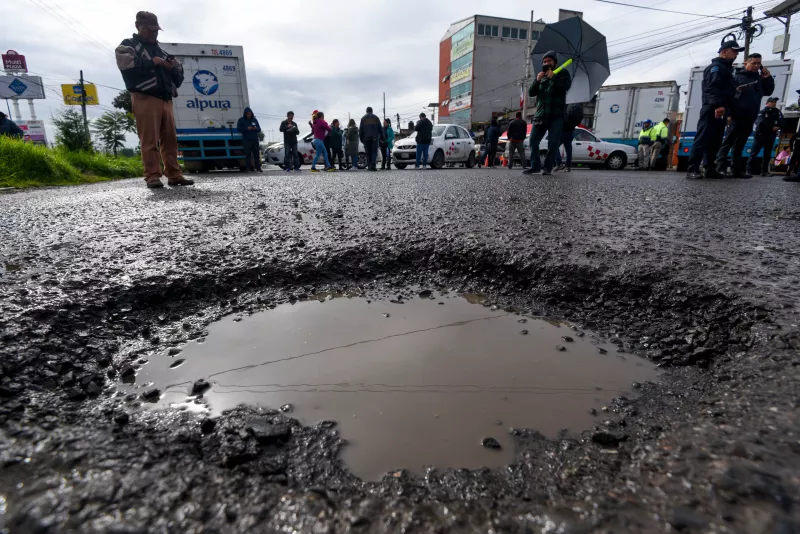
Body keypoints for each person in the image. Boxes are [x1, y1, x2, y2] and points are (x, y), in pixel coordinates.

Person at [115, 11, 193, 189]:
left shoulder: (162, 51)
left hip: (166, 100)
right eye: (150, 30)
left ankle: (174, 174)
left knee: (170, 140)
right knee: (149, 140)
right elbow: (127, 69)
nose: (154, 34)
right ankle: (152, 176)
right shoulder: (128, 46)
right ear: (138, 27)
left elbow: (179, 79)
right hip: (145, 98)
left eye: (156, 30)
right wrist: (153, 63)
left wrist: (172, 68)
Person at [685, 40, 743, 180]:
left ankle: (709, 168)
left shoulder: (727, 69)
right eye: (733, 50)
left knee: (715, 141)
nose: (736, 54)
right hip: (712, 108)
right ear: (724, 51)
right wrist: (717, 105)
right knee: (703, 139)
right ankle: (692, 169)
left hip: (721, 109)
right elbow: (712, 88)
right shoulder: (716, 67)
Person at [715, 53, 775, 178]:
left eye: (759, 63)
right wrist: (729, 115)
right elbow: (729, 98)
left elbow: (768, 91)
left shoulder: (759, 79)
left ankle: (736, 170)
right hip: (737, 116)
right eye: (754, 63)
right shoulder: (737, 78)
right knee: (728, 143)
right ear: (746, 63)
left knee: (740, 144)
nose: (756, 66)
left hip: (750, 116)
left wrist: (768, 78)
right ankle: (720, 168)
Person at [523, 51, 572, 176]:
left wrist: (553, 77)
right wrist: (537, 80)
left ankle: (548, 167)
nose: (546, 63)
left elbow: (566, 86)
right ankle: (535, 166)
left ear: (555, 62)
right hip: (540, 114)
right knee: (533, 141)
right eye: (544, 61)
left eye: (549, 61)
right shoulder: (542, 76)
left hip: (556, 115)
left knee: (553, 143)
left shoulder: (563, 73)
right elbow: (531, 93)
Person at [747, 97, 782, 177]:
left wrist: (778, 126)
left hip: (771, 136)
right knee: (754, 153)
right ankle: (748, 170)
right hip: (761, 135)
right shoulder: (763, 112)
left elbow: (781, 122)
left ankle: (764, 171)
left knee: (767, 154)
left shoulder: (777, 112)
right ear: (767, 103)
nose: (774, 103)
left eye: (775, 102)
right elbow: (760, 122)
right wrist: (771, 127)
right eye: (772, 102)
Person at [555, 103, 583, 172]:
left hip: (563, 130)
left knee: (554, 146)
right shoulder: (577, 106)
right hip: (571, 131)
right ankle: (568, 166)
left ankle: (559, 163)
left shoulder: (566, 105)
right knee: (568, 149)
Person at [237, 107, 262, 172]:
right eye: (247, 114)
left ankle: (258, 168)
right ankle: (247, 168)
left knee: (256, 154)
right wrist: (247, 128)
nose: (249, 115)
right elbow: (239, 129)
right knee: (247, 154)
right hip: (246, 139)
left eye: (250, 114)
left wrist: (255, 128)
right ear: (245, 114)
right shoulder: (241, 120)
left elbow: (259, 129)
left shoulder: (254, 120)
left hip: (255, 139)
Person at [359, 106, 384, 171]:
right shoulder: (376, 118)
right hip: (374, 138)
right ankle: (373, 165)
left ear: (366, 111)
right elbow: (380, 129)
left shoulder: (363, 119)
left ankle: (369, 165)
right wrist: (382, 137)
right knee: (374, 152)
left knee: (368, 153)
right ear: (372, 111)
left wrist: (361, 139)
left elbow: (361, 130)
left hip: (366, 139)